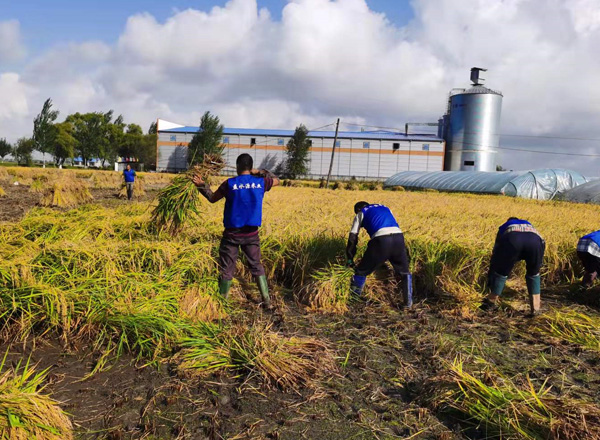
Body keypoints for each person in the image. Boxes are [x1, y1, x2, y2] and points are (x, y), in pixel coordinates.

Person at [192, 153, 279, 307]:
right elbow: (277, 180)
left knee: (227, 269)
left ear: (238, 166)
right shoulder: (261, 182)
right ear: (250, 167)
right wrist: (260, 172)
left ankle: (222, 304)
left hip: (231, 235)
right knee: (256, 266)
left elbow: (212, 198)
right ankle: (267, 300)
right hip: (251, 234)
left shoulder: (229, 183)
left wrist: (201, 185)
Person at [346, 201, 413, 308]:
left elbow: (352, 238)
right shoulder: (385, 208)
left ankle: (352, 302)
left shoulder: (361, 212)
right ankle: (408, 304)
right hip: (399, 238)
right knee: (404, 272)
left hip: (381, 240)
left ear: (358, 210)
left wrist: (350, 258)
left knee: (361, 271)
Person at [482, 217, 545, 316]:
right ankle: (536, 308)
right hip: (535, 243)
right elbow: (542, 243)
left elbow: (497, 249)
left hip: (513, 240)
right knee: (534, 274)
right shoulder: (529, 225)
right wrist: (537, 263)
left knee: (502, 272)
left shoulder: (505, 226)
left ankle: (491, 302)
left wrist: (494, 270)